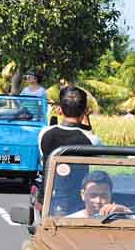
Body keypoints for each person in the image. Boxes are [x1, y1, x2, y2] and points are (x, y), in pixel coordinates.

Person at [37, 85, 100, 215]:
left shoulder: (45, 134)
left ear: (59, 110)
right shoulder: (92, 141)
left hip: (48, 200)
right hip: (78, 203)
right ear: (85, 111)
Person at [65, 171, 132, 218]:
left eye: (103, 196)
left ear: (110, 195)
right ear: (83, 195)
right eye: (93, 196)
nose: (98, 201)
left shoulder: (122, 218)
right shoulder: (69, 221)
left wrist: (124, 210)